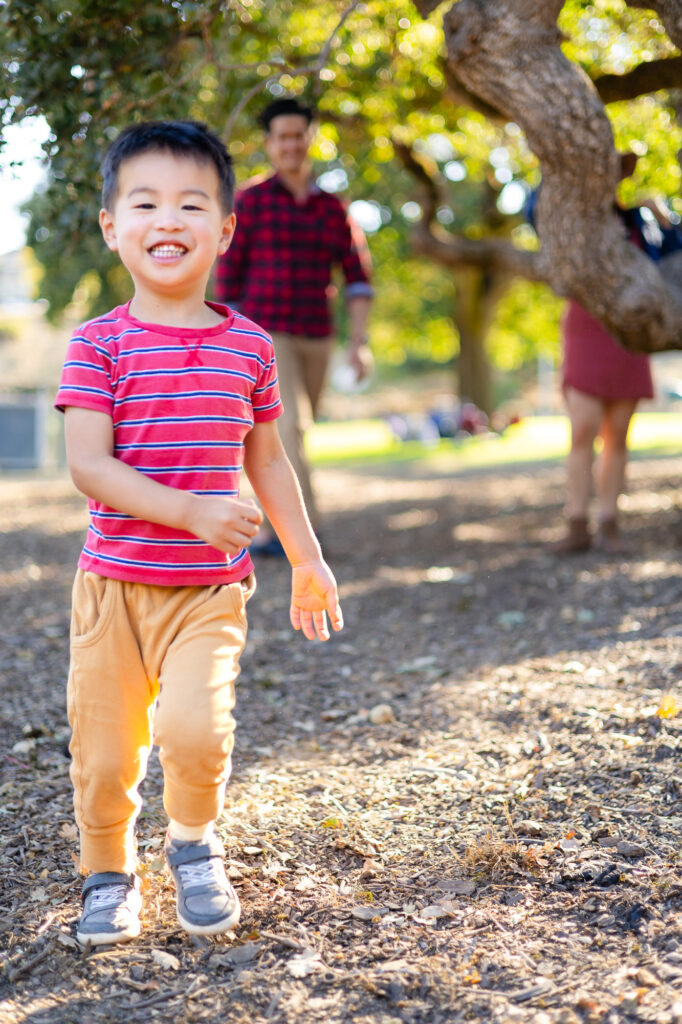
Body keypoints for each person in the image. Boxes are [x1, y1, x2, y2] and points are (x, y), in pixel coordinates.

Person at [55, 120, 343, 947]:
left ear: (224, 229)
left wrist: (308, 560)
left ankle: (191, 844)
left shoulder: (249, 347)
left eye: (191, 203)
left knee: (196, 731)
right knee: (105, 757)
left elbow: (273, 464)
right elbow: (89, 466)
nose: (167, 219)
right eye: (144, 202)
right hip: (112, 590)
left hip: (208, 592)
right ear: (113, 227)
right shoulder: (97, 344)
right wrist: (192, 511)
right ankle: (108, 871)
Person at [213, 96, 373, 554]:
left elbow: (358, 279)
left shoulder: (332, 208)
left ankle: (274, 526)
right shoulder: (251, 202)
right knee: (291, 429)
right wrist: (228, 342)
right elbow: (228, 280)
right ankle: (300, 532)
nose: (290, 144)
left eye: (298, 135)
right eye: (282, 137)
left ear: (310, 139)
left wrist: (358, 343)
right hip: (266, 334)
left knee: (288, 434)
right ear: (269, 144)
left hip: (317, 335)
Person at [530, 153, 676, 554]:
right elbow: (534, 210)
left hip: (629, 328)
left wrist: (662, 217)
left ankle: (609, 522)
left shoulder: (635, 223)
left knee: (619, 435)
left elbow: (671, 257)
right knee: (583, 427)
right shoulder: (572, 216)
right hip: (586, 326)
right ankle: (577, 522)